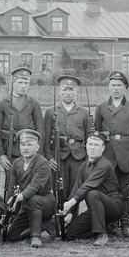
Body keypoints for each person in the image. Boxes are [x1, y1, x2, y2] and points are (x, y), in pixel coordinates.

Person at [93, 70, 129, 238]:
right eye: (113, 85)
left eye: (119, 85)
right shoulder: (101, 107)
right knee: (108, 191)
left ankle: (126, 223)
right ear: (108, 87)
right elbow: (97, 132)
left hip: (127, 155)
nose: (116, 88)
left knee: (126, 190)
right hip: (107, 155)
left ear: (125, 87)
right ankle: (111, 223)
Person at [60, 131, 124, 246]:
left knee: (91, 193)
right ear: (86, 145)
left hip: (113, 206)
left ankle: (102, 234)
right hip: (96, 209)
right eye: (90, 144)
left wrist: (70, 203)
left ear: (103, 148)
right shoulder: (84, 166)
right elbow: (76, 188)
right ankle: (106, 226)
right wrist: (69, 212)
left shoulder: (105, 165)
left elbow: (88, 185)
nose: (92, 148)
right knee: (71, 235)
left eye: (96, 145)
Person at [0, 66, 44, 203]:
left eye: (26, 82)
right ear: (13, 83)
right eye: (20, 82)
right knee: (11, 183)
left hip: (29, 151)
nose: (23, 86)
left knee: (28, 183)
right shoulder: (3, 104)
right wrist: (0, 154)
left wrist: (39, 153)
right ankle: (9, 213)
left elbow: (41, 131)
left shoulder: (34, 104)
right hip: (9, 150)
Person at [43, 75, 92, 209]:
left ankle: (72, 219)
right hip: (59, 156)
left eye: (71, 90)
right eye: (65, 89)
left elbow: (90, 138)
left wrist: (88, 160)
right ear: (59, 91)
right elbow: (46, 137)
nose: (68, 93)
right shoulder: (50, 111)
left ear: (76, 91)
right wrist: (49, 157)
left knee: (75, 190)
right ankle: (59, 221)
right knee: (59, 189)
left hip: (78, 156)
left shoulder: (84, 112)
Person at [5, 129, 57, 247]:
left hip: (45, 203)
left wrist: (18, 198)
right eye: (23, 145)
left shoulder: (43, 163)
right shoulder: (17, 163)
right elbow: (12, 186)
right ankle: (44, 225)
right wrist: (9, 204)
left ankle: (36, 236)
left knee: (33, 199)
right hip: (27, 205)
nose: (25, 148)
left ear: (37, 147)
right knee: (11, 236)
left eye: (29, 144)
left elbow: (35, 186)